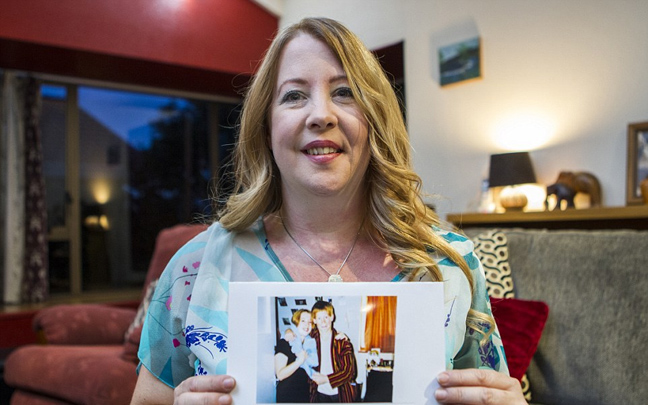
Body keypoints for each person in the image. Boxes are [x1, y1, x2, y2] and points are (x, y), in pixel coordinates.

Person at [130, 17, 526, 405]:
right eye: (294, 96)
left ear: (375, 120)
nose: (321, 115)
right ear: (266, 129)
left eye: (345, 92)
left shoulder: (451, 264)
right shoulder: (196, 268)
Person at [309, 300, 358, 402]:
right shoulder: (310, 339)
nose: (323, 322)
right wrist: (288, 331)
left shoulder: (342, 342)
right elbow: (296, 333)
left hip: (340, 394)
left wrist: (326, 379)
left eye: (326, 317)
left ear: (332, 317)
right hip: (318, 393)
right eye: (319, 318)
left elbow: (350, 372)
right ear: (314, 320)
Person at [274, 310, 318, 402]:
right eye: (303, 321)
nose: (307, 325)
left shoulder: (310, 344)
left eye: (309, 322)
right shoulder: (285, 342)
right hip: (287, 395)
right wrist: (299, 361)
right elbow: (280, 375)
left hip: (303, 394)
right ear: (296, 322)